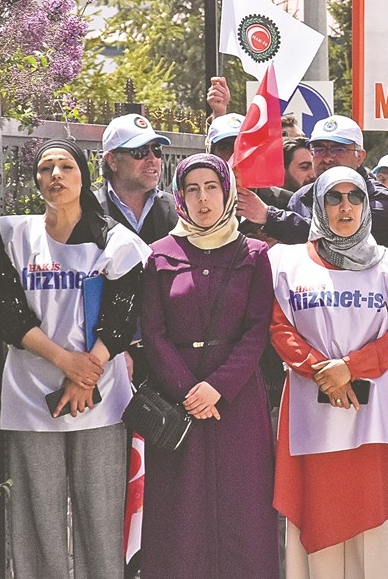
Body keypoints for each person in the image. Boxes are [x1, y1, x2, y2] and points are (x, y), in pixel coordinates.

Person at [0, 138, 149, 579]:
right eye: (46, 168)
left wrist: (86, 374)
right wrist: (67, 364)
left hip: (99, 396)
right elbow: (9, 314)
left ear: (84, 176)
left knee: (99, 514)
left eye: (66, 167)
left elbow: (124, 315)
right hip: (31, 395)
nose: (55, 176)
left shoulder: (115, 240)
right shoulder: (14, 235)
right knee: (37, 515)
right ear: (36, 179)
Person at [268, 167, 388, 578]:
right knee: (320, 519)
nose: (345, 207)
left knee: (374, 522)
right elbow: (279, 327)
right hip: (312, 417)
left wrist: (349, 369)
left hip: (373, 421)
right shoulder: (285, 263)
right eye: (334, 198)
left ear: (368, 205)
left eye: (355, 197)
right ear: (319, 205)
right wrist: (322, 372)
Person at [138, 153, 279, 579]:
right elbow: (153, 332)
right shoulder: (158, 255)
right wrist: (187, 390)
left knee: (243, 502)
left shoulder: (253, 254)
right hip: (177, 400)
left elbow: (258, 330)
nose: (203, 200)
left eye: (212, 187)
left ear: (227, 192)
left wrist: (217, 387)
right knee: (180, 506)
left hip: (236, 398)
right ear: (179, 197)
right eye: (192, 189)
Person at [240, 115, 388, 249]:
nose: (327, 158)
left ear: (360, 156)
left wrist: (269, 216)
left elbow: (342, 238)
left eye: (338, 150)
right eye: (319, 149)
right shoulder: (301, 197)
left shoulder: (381, 200)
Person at [98, 113, 177, 243]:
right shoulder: (89, 211)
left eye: (156, 149)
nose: (152, 159)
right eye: (140, 151)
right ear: (112, 161)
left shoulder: (178, 210)